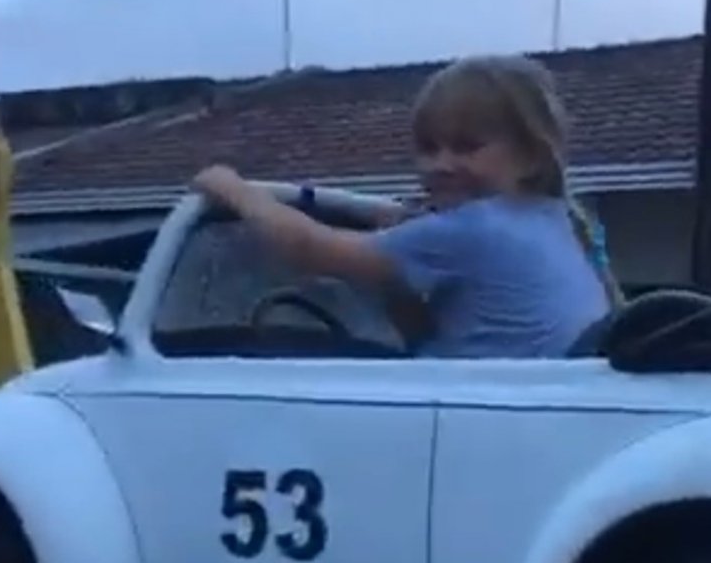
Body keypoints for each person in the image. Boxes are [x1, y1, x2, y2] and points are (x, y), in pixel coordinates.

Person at [193, 53, 618, 358]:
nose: (442, 165)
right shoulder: (554, 219)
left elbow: (307, 248)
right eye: (428, 148)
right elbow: (439, 337)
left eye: (467, 147)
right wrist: (394, 266)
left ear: (530, 156)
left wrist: (233, 188)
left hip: (475, 419)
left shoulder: (476, 228)